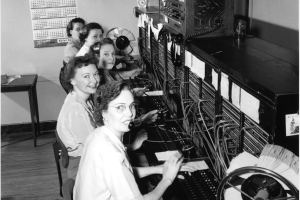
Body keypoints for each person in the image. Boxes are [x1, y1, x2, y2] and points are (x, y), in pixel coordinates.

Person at [74, 81, 195, 200]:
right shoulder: (112, 155)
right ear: (104, 113)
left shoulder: (97, 134)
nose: (129, 113)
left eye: (131, 106)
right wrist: (167, 179)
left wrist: (159, 169)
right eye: (120, 107)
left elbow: (125, 173)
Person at [60, 17, 85, 93]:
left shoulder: (81, 43)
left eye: (83, 29)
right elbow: (84, 61)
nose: (81, 32)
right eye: (78, 29)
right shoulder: (71, 47)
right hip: (69, 77)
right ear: (71, 32)